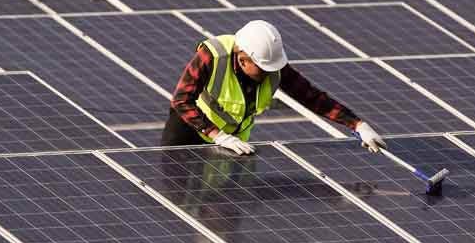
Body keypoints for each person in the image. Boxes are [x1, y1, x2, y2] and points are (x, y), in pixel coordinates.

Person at [163, 19, 386, 155]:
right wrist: (216, 134)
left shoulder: (273, 67)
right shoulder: (212, 56)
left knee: (224, 207)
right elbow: (181, 100)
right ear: (243, 60)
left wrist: (357, 125)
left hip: (234, 142)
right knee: (177, 198)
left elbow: (312, 97)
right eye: (263, 68)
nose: (269, 74)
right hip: (188, 132)